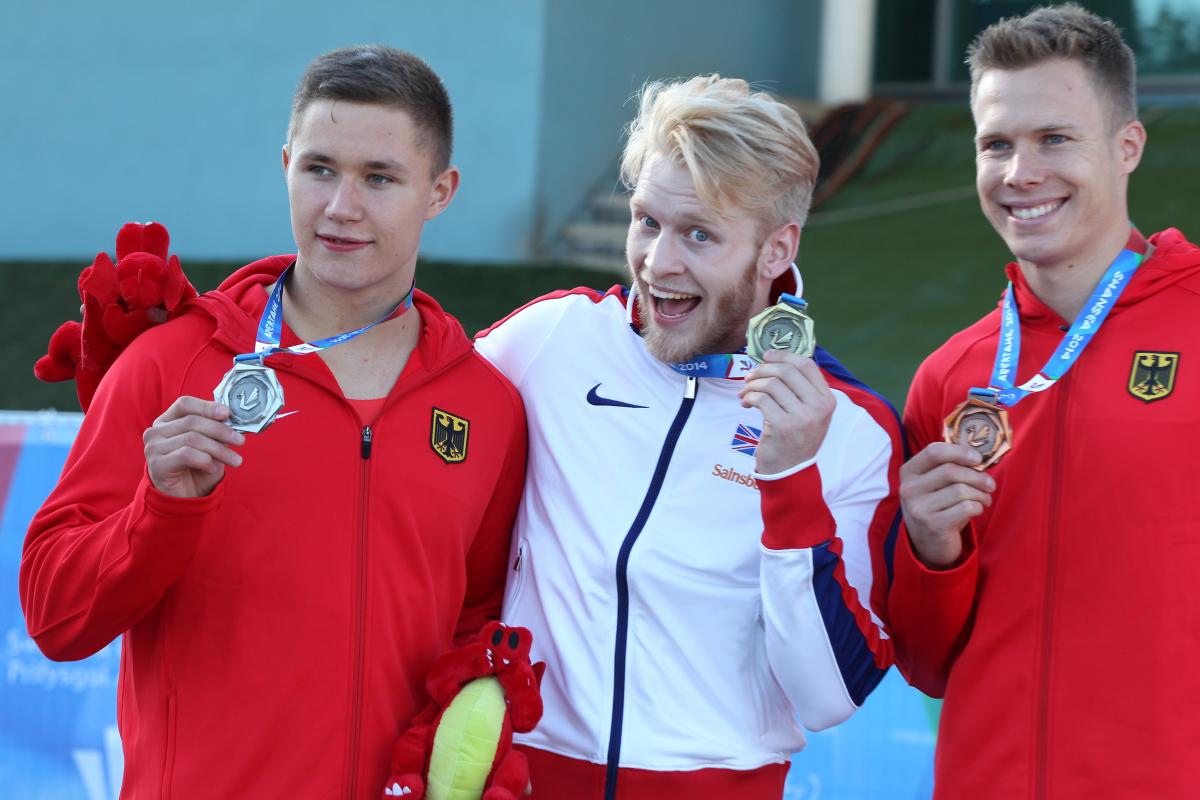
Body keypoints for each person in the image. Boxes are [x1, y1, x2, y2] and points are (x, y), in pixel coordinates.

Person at [19, 46, 527, 798]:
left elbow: (477, 630)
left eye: (379, 178)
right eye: (319, 169)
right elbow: (56, 619)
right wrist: (160, 510)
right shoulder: (173, 366)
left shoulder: (487, 407)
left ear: (439, 191)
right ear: (286, 163)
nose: (341, 207)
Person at [474, 76, 902, 798]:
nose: (657, 264)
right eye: (647, 221)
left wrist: (790, 482)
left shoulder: (850, 428)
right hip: (527, 776)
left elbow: (830, 696)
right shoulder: (555, 340)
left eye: (699, 233)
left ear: (776, 249)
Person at [889, 5, 1200, 798]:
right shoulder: (949, 377)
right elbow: (925, 663)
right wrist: (930, 551)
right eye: (996, 145)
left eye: (1054, 139)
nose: (1020, 174)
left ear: (1126, 147)